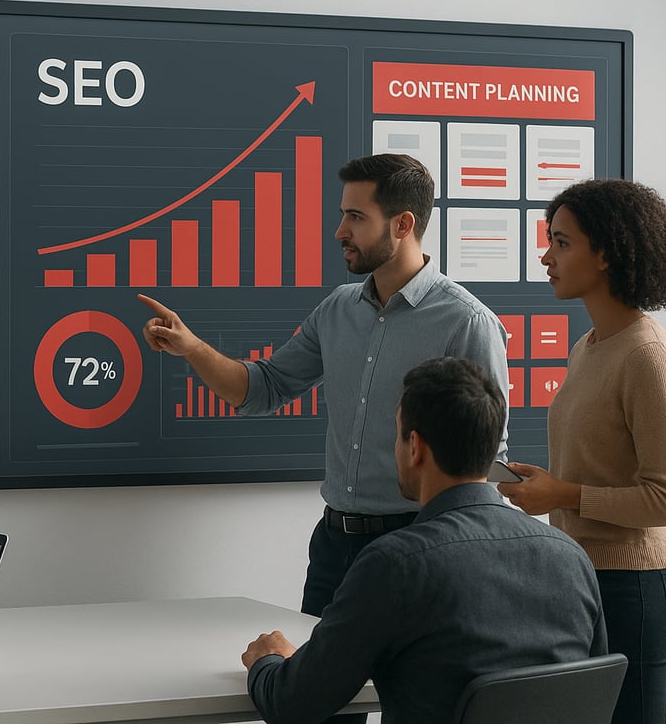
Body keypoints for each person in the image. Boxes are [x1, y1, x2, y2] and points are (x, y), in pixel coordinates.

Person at [139, 154, 508, 644]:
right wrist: (192, 347)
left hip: (419, 544)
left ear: (403, 224)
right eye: (342, 215)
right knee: (318, 703)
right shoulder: (337, 309)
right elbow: (261, 388)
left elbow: (486, 461)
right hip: (335, 547)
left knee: (414, 700)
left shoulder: (466, 322)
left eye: (356, 217)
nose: (340, 231)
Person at [241, 357, 606, 724]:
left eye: (398, 434)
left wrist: (269, 660)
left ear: (415, 447)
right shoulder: (572, 558)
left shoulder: (395, 565)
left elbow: (293, 702)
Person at [498, 178, 666, 724]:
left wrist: (563, 493)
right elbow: (601, 467)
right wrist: (551, 485)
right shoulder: (588, 347)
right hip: (583, 578)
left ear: (605, 253)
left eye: (562, 243)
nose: (546, 256)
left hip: (636, 589)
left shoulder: (647, 357)